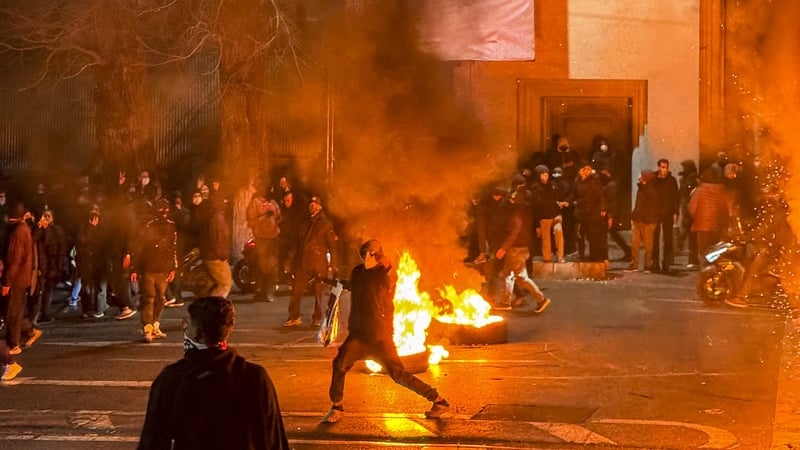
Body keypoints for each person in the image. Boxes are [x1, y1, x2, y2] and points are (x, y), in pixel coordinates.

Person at [322, 239, 449, 423]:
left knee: (399, 375)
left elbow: (375, 280)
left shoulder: (380, 276)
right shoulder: (358, 272)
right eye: (366, 252)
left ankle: (438, 401)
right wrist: (325, 279)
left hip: (378, 337)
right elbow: (353, 285)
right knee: (340, 364)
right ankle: (337, 407)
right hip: (358, 335)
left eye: (371, 253)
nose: (367, 256)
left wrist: (380, 263)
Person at [138, 296, 290, 450]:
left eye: (188, 325)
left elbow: (153, 441)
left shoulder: (174, 379)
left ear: (198, 332)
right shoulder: (255, 377)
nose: (185, 329)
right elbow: (273, 438)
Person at [494, 182, 551, 312]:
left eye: (513, 197)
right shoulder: (525, 211)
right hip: (521, 247)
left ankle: (541, 299)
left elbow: (514, 232)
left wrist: (503, 247)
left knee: (520, 277)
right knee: (508, 275)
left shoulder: (517, 213)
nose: (511, 199)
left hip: (516, 248)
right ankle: (505, 302)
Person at [284, 196, 337, 327]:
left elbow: (332, 246)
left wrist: (332, 264)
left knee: (319, 293)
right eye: (311, 204)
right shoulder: (304, 223)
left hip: (318, 262)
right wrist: (290, 262)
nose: (312, 206)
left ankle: (317, 318)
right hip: (303, 261)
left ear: (320, 207)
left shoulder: (325, 224)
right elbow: (297, 244)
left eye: (315, 204)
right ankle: (294, 317)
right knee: (297, 289)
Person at [131, 198, 178, 343]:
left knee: (160, 299)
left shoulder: (171, 226)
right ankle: (148, 329)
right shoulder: (148, 226)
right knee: (149, 299)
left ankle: (155, 325)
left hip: (163, 269)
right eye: (161, 209)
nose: (164, 212)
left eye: (166, 209)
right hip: (149, 269)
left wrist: (173, 268)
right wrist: (135, 268)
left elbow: (174, 248)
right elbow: (139, 248)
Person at [2, 204, 42, 355]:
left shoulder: (17, 232)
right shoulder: (23, 229)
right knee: (13, 310)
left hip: (16, 279)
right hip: (21, 277)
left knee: (12, 312)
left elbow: (15, 259)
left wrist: (7, 282)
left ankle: (13, 345)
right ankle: (30, 330)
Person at [32, 209, 68, 323]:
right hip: (42, 265)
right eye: (44, 216)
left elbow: (53, 243)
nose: (46, 218)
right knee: (39, 290)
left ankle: (45, 312)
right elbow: (33, 241)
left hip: (52, 264)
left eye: (48, 216)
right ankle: (36, 315)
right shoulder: (39, 229)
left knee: (48, 289)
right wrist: (40, 228)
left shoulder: (57, 230)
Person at [246, 188, 281, 302]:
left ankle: (269, 292)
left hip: (273, 238)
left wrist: (274, 219)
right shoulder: (255, 203)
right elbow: (250, 220)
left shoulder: (273, 202)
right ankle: (261, 290)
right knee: (261, 265)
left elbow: (279, 217)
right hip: (261, 238)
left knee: (271, 266)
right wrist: (264, 216)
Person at [571, 162, 608, 263]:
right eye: (584, 169)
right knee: (581, 234)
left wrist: (603, 208)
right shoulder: (577, 181)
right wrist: (574, 202)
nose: (586, 171)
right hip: (581, 212)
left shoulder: (594, 180)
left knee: (594, 235)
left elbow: (601, 196)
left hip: (593, 212)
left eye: (588, 169)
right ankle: (582, 253)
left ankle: (597, 257)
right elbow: (574, 194)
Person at [531, 165, 568, 263]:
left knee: (558, 231)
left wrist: (560, 203)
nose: (545, 176)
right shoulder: (535, 187)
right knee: (546, 238)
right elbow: (536, 205)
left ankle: (560, 256)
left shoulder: (552, 185)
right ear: (538, 175)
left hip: (555, 213)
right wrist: (537, 224)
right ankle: (547, 258)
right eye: (543, 174)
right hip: (544, 215)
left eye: (546, 174)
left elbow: (558, 196)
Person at [626, 170, 659, 273]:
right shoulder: (641, 188)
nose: (639, 177)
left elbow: (651, 206)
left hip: (648, 221)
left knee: (648, 244)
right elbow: (639, 204)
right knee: (635, 243)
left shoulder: (651, 190)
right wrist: (634, 215)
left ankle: (647, 265)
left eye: (641, 176)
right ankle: (634, 264)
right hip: (638, 219)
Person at [651, 159, 680, 273]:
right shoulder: (653, 180)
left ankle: (666, 263)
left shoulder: (672, 180)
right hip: (655, 212)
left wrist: (676, 212)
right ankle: (655, 262)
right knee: (655, 238)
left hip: (667, 212)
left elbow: (675, 197)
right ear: (658, 167)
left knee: (668, 239)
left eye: (666, 167)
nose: (664, 170)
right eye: (662, 167)